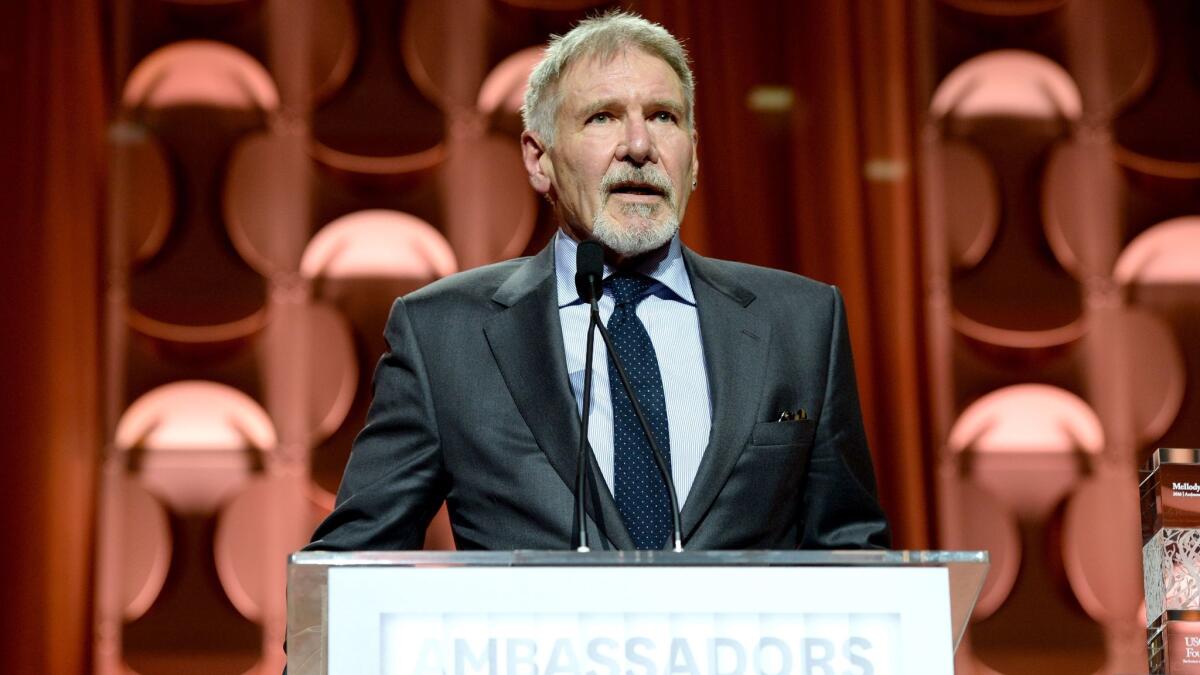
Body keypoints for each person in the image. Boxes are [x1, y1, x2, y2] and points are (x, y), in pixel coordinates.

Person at [305, 11, 890, 552]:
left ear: (694, 155)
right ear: (540, 160)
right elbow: (353, 565)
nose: (639, 147)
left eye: (664, 117)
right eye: (602, 117)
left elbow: (851, 549)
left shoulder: (800, 322)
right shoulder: (444, 336)